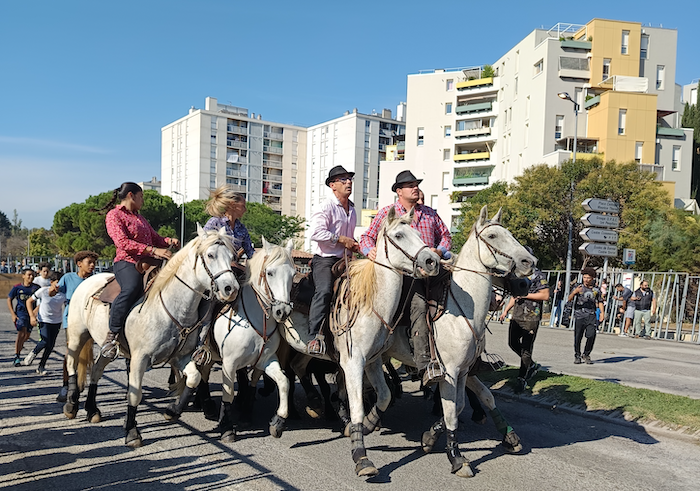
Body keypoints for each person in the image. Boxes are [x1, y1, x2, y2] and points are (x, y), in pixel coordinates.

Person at [360, 170, 451, 385]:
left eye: (416, 184)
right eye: (409, 185)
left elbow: (446, 236)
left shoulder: (430, 213)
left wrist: (439, 251)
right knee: (418, 306)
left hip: (430, 271)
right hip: (400, 275)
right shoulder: (387, 213)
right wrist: (368, 250)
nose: (415, 188)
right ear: (399, 191)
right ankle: (423, 363)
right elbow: (366, 237)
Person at [100, 182, 180, 360]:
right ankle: (112, 335)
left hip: (148, 262)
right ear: (131, 195)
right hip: (126, 262)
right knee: (131, 287)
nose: (143, 200)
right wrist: (154, 251)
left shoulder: (140, 218)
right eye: (141, 196)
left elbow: (155, 238)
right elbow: (122, 243)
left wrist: (168, 241)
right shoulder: (114, 215)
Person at [307, 165, 359, 355]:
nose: (348, 183)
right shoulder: (325, 206)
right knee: (325, 291)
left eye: (350, 179)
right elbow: (315, 233)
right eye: (343, 180)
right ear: (332, 185)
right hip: (325, 260)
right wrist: (341, 239)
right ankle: (314, 337)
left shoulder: (352, 208)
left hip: (347, 260)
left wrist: (354, 245)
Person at [499, 247, 550, 392]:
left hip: (531, 317)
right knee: (512, 343)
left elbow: (545, 295)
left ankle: (522, 378)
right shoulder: (518, 275)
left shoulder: (539, 275)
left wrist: (525, 295)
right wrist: (505, 311)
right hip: (517, 316)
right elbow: (515, 296)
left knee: (526, 349)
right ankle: (531, 365)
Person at [54, 250, 98, 402]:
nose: (92, 265)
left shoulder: (95, 281)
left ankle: (81, 383)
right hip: (71, 320)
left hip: (89, 321)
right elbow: (53, 291)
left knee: (88, 353)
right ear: (79, 264)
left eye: (94, 263)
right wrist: (53, 288)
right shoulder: (68, 278)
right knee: (70, 352)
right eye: (89, 262)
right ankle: (66, 385)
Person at [203, 184, 255, 274]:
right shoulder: (215, 222)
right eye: (243, 206)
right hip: (214, 270)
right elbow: (202, 245)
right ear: (233, 205)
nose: (245, 210)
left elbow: (250, 252)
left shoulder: (242, 229)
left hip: (232, 271)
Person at [24, 271, 65, 375]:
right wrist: (32, 316)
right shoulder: (43, 291)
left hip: (56, 321)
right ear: (51, 282)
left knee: (50, 345)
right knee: (44, 341)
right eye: (57, 282)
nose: (59, 285)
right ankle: (33, 353)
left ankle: (41, 366)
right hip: (44, 320)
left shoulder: (63, 294)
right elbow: (29, 301)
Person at [569, 267, 604, 364]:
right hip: (580, 314)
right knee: (578, 336)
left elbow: (600, 301)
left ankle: (586, 353)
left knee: (591, 335)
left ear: (592, 278)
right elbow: (569, 299)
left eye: (588, 278)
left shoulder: (596, 289)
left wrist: (602, 313)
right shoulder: (578, 287)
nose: (586, 279)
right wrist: (574, 292)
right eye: (584, 277)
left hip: (591, 315)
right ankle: (577, 355)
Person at [7, 269, 39, 366]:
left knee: (27, 336)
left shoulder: (36, 288)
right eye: (29, 275)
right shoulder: (17, 287)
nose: (31, 277)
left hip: (32, 315)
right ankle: (17, 356)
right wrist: (13, 314)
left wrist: (36, 311)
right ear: (23, 276)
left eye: (33, 275)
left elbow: (42, 299)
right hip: (21, 314)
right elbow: (9, 299)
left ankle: (19, 346)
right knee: (21, 333)